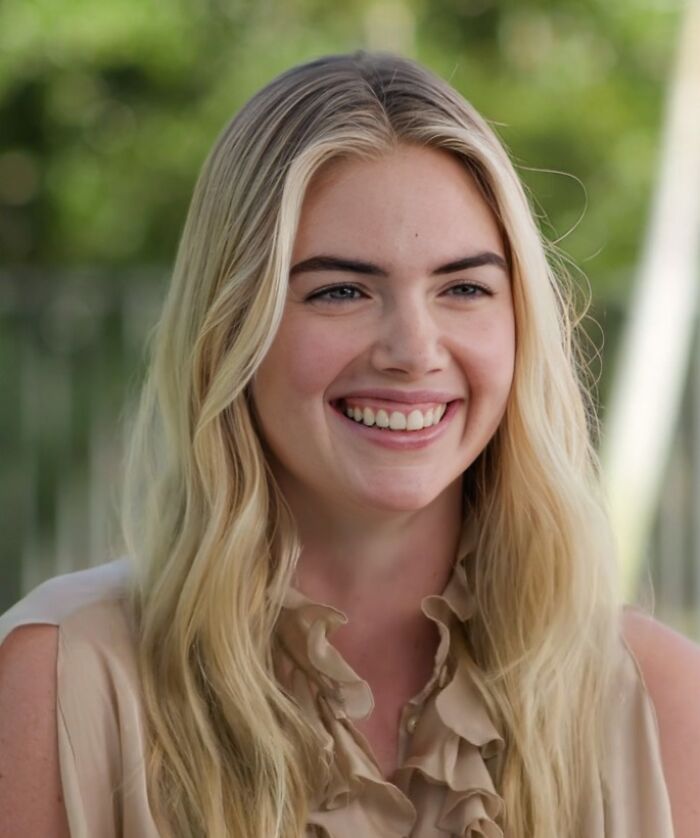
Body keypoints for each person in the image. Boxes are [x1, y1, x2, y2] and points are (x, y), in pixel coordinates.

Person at [0, 51, 698, 838]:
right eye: (341, 290)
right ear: (231, 330)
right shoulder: (63, 680)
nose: (413, 348)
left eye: (463, 288)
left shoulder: (660, 700)